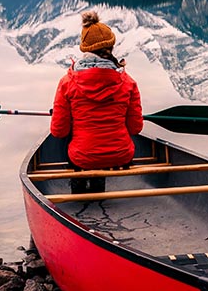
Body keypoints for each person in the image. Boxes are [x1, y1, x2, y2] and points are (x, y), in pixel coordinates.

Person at [50, 10, 143, 193]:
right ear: (111, 47)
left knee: (72, 143)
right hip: (121, 155)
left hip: (82, 157)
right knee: (100, 153)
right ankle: (99, 193)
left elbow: (59, 131)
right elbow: (135, 128)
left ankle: (79, 195)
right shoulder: (129, 83)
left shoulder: (67, 83)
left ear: (85, 49)